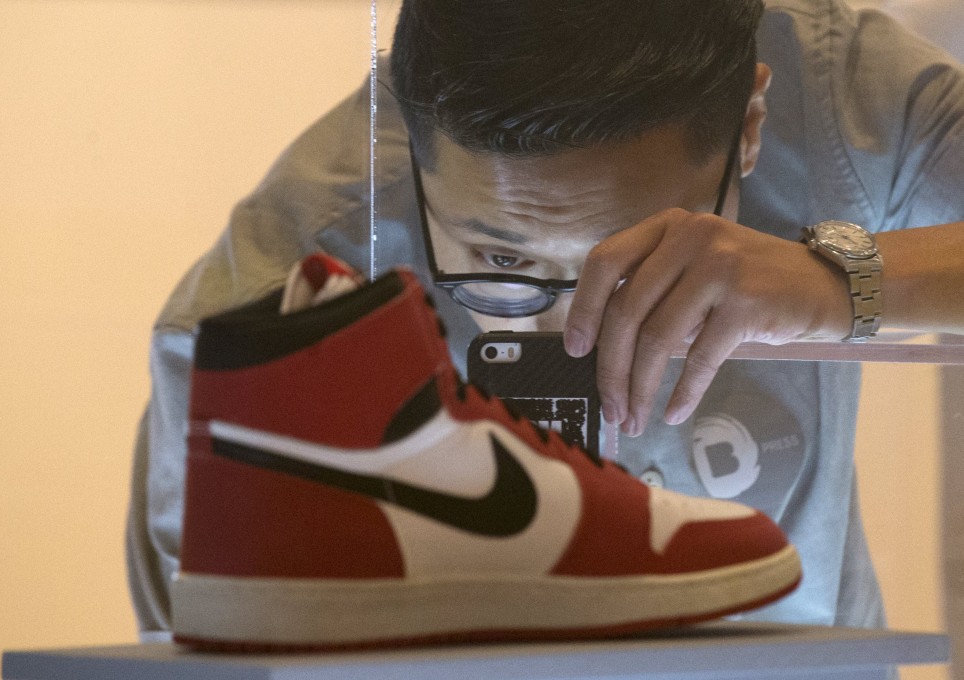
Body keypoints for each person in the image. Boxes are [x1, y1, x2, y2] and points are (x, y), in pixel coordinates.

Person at [127, 0, 964, 641]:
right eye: (501, 263)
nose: (580, 335)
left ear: (750, 125)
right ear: (411, 145)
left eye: (640, 262)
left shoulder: (835, 95)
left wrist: (841, 277)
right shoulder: (258, 335)